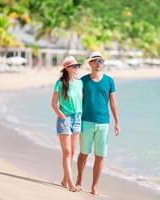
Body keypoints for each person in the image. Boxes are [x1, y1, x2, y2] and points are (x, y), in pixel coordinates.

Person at [76, 51, 120, 195]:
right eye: (95, 61)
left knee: (100, 156)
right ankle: (79, 181)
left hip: (104, 123)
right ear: (90, 63)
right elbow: (78, 102)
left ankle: (94, 187)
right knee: (83, 154)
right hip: (86, 122)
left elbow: (113, 103)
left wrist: (117, 122)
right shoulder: (83, 81)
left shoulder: (109, 81)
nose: (98, 63)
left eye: (101, 61)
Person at [51, 56, 82, 192]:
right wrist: (61, 115)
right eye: (74, 66)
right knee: (67, 152)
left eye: (77, 66)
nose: (76, 68)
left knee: (72, 152)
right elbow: (53, 104)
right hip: (65, 119)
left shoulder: (80, 83)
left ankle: (64, 180)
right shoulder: (60, 83)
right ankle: (70, 183)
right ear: (67, 68)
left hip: (78, 119)